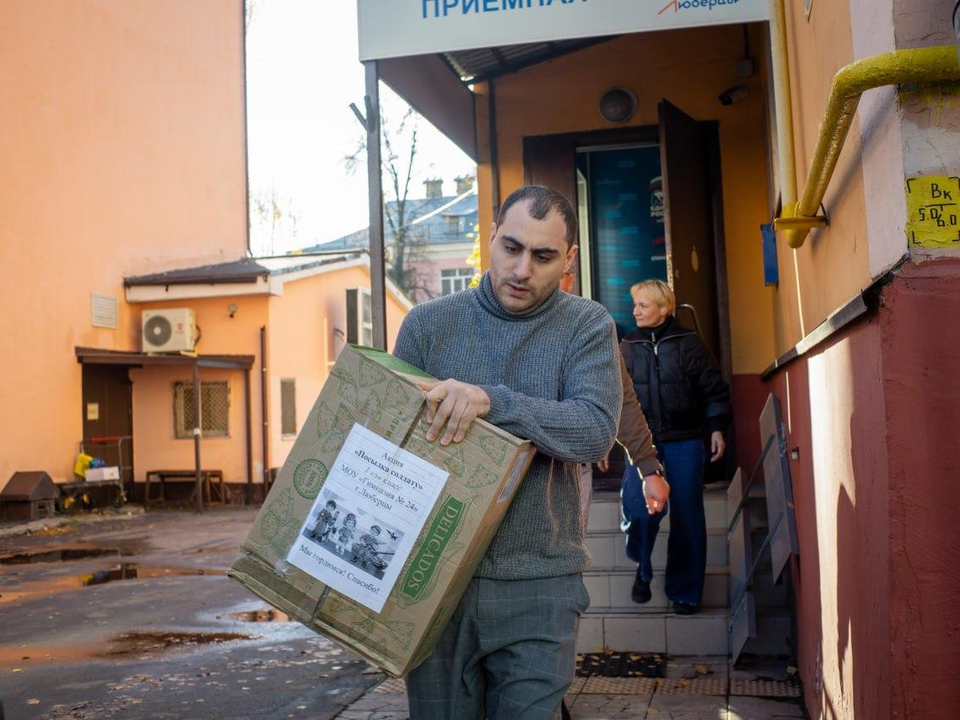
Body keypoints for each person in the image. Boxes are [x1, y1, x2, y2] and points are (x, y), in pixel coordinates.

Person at [394, 185, 622, 719]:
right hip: (433, 581)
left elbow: (592, 431)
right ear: (490, 240)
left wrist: (490, 402)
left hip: (540, 584)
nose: (522, 269)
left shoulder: (587, 325)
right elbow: (393, 447)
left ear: (568, 260)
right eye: (510, 248)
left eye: (542, 257)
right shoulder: (426, 326)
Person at [619, 279, 730, 615]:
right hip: (642, 445)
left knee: (688, 516)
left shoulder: (688, 343)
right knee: (640, 511)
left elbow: (713, 389)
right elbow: (616, 399)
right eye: (635, 304)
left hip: (685, 442)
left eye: (643, 305)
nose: (635, 310)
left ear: (664, 308)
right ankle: (642, 564)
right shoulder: (626, 346)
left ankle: (684, 592)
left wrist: (716, 428)